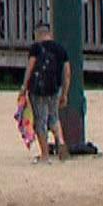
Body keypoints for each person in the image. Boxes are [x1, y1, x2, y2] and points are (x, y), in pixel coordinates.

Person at [22, 20, 72, 163]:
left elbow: (30, 67)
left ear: (37, 34)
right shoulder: (60, 49)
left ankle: (45, 155)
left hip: (38, 88)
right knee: (54, 117)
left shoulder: (36, 48)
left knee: (40, 120)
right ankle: (61, 142)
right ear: (49, 33)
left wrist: (24, 87)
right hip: (55, 88)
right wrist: (65, 94)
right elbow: (67, 73)